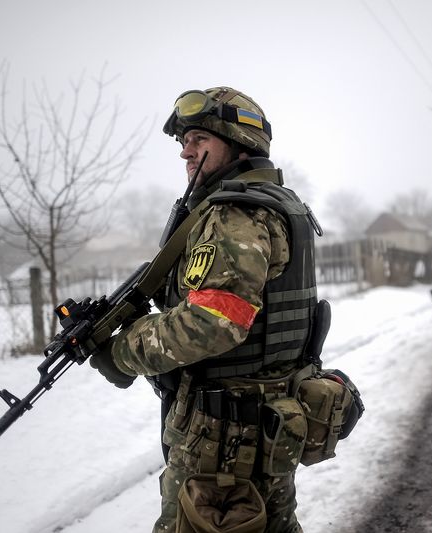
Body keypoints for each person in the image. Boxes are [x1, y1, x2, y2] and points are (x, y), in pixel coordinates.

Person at [89, 87, 326, 533]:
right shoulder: (281, 204)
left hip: (224, 435)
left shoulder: (235, 216)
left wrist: (122, 352)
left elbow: (213, 325)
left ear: (236, 139)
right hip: (268, 418)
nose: (185, 152)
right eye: (183, 142)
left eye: (197, 138)